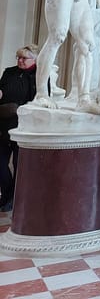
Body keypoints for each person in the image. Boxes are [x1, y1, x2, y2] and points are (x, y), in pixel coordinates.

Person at [0, 45, 40, 211]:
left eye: (24, 58)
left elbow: (39, 102)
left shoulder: (38, 76)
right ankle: (7, 195)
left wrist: (17, 108)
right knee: (1, 164)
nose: (20, 61)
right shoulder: (9, 72)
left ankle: (15, 199)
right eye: (18, 57)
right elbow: (1, 89)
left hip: (23, 126)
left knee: (19, 164)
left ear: (34, 59)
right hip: (3, 123)